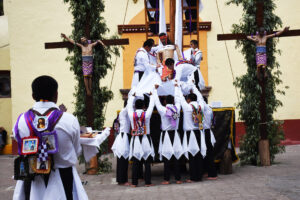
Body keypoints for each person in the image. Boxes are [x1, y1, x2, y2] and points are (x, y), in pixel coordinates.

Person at [13, 75, 88, 200]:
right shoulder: (69, 120)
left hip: (31, 178)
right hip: (64, 177)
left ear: (33, 95)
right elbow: (76, 150)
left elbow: (18, 142)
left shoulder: (21, 120)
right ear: (56, 95)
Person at [153, 85, 183, 184]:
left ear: (165, 102)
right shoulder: (177, 109)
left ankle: (166, 179)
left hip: (166, 135)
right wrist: (176, 87)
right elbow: (178, 100)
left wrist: (154, 90)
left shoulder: (163, 110)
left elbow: (156, 102)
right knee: (176, 157)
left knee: (167, 157)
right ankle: (178, 179)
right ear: (173, 101)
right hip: (175, 134)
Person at [177, 84, 206, 182]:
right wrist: (194, 87)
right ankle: (199, 176)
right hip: (198, 132)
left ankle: (193, 177)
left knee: (192, 156)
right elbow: (201, 99)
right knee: (198, 155)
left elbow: (180, 97)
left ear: (188, 99)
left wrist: (177, 86)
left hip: (190, 134)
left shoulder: (186, 107)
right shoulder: (201, 106)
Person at [127, 92, 155, 187]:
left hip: (136, 139)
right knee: (147, 161)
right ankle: (148, 182)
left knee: (135, 161)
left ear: (135, 106)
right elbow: (151, 106)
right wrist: (151, 95)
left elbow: (129, 107)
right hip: (145, 138)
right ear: (144, 106)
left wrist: (132, 97)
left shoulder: (131, 115)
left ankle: (134, 183)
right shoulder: (146, 114)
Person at [111, 101, 131, 186]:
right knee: (122, 159)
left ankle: (121, 179)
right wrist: (132, 97)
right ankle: (122, 180)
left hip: (125, 137)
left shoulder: (127, 115)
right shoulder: (123, 112)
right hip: (123, 138)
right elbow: (127, 108)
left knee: (123, 160)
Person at [202, 103, 218, 180]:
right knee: (208, 153)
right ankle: (208, 172)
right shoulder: (210, 109)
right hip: (208, 131)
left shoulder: (203, 109)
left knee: (209, 154)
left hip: (206, 132)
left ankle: (213, 174)